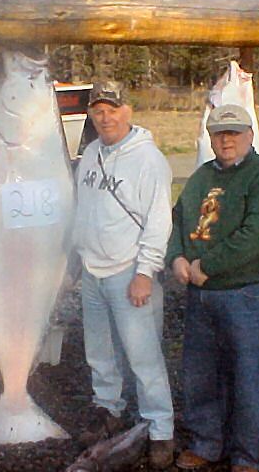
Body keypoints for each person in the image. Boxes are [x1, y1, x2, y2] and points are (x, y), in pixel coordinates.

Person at [166, 104, 259, 472]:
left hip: (249, 293)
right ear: (210, 137)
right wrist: (176, 257)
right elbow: (177, 221)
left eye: (234, 132)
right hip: (201, 295)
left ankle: (249, 456)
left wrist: (208, 265)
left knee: (248, 377)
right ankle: (207, 443)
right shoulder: (201, 176)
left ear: (250, 136)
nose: (226, 140)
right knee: (201, 375)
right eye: (220, 133)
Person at [73, 81, 175, 469]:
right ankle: (108, 410)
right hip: (92, 271)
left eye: (112, 109)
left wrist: (145, 272)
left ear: (127, 111)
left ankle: (160, 428)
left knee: (143, 357)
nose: (105, 117)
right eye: (98, 110)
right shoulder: (89, 156)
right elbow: (82, 211)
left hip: (130, 271)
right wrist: (75, 259)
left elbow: (158, 222)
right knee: (100, 352)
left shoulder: (149, 159)